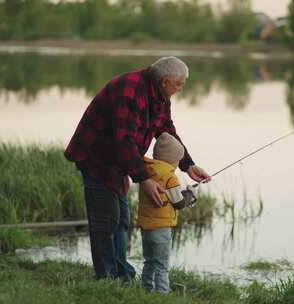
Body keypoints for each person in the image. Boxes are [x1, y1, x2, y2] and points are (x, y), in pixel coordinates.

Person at [64, 56, 211, 281]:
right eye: (179, 84)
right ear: (165, 80)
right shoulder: (128, 90)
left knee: (121, 218)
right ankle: (107, 278)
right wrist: (144, 178)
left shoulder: (160, 95)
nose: (180, 89)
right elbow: (123, 140)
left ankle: (121, 273)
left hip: (119, 161)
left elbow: (166, 129)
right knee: (107, 219)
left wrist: (188, 165)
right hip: (97, 157)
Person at [138, 132, 196, 293]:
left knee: (149, 261)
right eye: (178, 160)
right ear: (172, 160)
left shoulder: (146, 171)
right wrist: (189, 193)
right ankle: (162, 295)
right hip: (162, 228)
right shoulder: (171, 178)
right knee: (162, 265)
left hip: (146, 226)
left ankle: (146, 290)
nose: (178, 164)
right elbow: (179, 203)